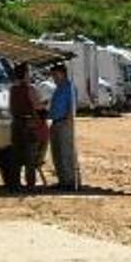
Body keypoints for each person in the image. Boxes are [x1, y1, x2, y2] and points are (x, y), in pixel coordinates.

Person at [8, 63, 45, 191]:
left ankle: (15, 184)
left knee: (16, 156)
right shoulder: (30, 89)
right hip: (28, 124)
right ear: (24, 74)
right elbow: (38, 106)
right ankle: (30, 184)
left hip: (15, 124)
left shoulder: (12, 89)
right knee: (30, 156)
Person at [48, 63, 80, 191]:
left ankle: (71, 180)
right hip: (55, 122)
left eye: (55, 75)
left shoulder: (70, 88)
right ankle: (62, 180)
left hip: (64, 123)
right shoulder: (58, 88)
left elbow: (71, 107)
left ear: (62, 74)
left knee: (66, 152)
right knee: (57, 153)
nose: (54, 78)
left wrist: (68, 121)